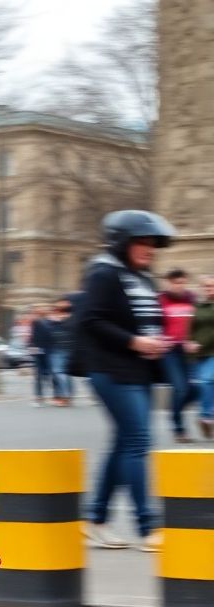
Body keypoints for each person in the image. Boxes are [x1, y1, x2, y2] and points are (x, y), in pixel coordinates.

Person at [79, 209, 175, 552]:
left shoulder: (143, 277)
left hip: (139, 370)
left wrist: (156, 340)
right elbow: (91, 320)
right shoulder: (103, 274)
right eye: (142, 242)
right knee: (137, 441)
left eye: (153, 243)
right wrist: (134, 342)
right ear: (122, 242)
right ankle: (147, 527)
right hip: (111, 371)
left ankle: (95, 520)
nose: (150, 249)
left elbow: (146, 319)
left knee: (124, 444)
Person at [157, 268, 198, 441]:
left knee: (196, 389)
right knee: (180, 388)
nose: (179, 286)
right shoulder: (161, 300)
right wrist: (160, 339)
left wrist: (193, 340)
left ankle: (175, 409)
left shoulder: (191, 298)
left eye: (182, 282)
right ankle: (178, 427)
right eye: (175, 282)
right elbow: (153, 323)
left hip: (188, 350)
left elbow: (196, 323)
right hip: (169, 351)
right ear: (168, 282)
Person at [193, 275, 214, 440]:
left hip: (210, 351)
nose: (209, 289)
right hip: (200, 353)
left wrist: (200, 343)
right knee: (202, 384)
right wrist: (189, 342)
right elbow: (191, 326)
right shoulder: (198, 306)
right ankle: (207, 417)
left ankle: (206, 416)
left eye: (212, 286)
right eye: (206, 286)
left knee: (207, 380)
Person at [48, 297, 75, 405]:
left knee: (59, 372)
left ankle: (65, 397)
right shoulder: (54, 319)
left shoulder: (68, 318)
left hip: (62, 348)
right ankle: (66, 396)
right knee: (64, 373)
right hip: (58, 348)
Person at [28, 304, 55, 406]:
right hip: (39, 352)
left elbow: (47, 337)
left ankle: (43, 397)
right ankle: (39, 397)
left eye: (33, 313)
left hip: (45, 351)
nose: (31, 315)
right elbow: (32, 338)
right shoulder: (36, 323)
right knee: (40, 375)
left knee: (46, 375)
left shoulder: (43, 323)